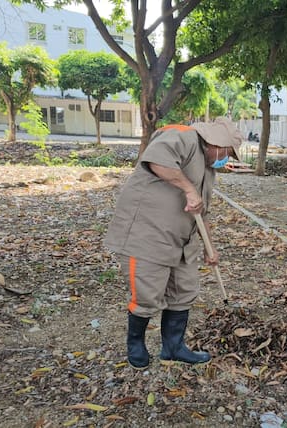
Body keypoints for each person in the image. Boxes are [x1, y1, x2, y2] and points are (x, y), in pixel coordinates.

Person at [104, 118, 242, 369]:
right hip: (148, 234)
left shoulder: (208, 170)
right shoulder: (183, 136)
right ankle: (136, 344)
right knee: (147, 293)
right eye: (227, 153)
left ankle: (173, 347)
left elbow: (202, 211)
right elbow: (157, 161)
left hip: (182, 240)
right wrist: (188, 189)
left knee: (184, 291)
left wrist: (210, 247)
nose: (226, 160)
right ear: (217, 144)